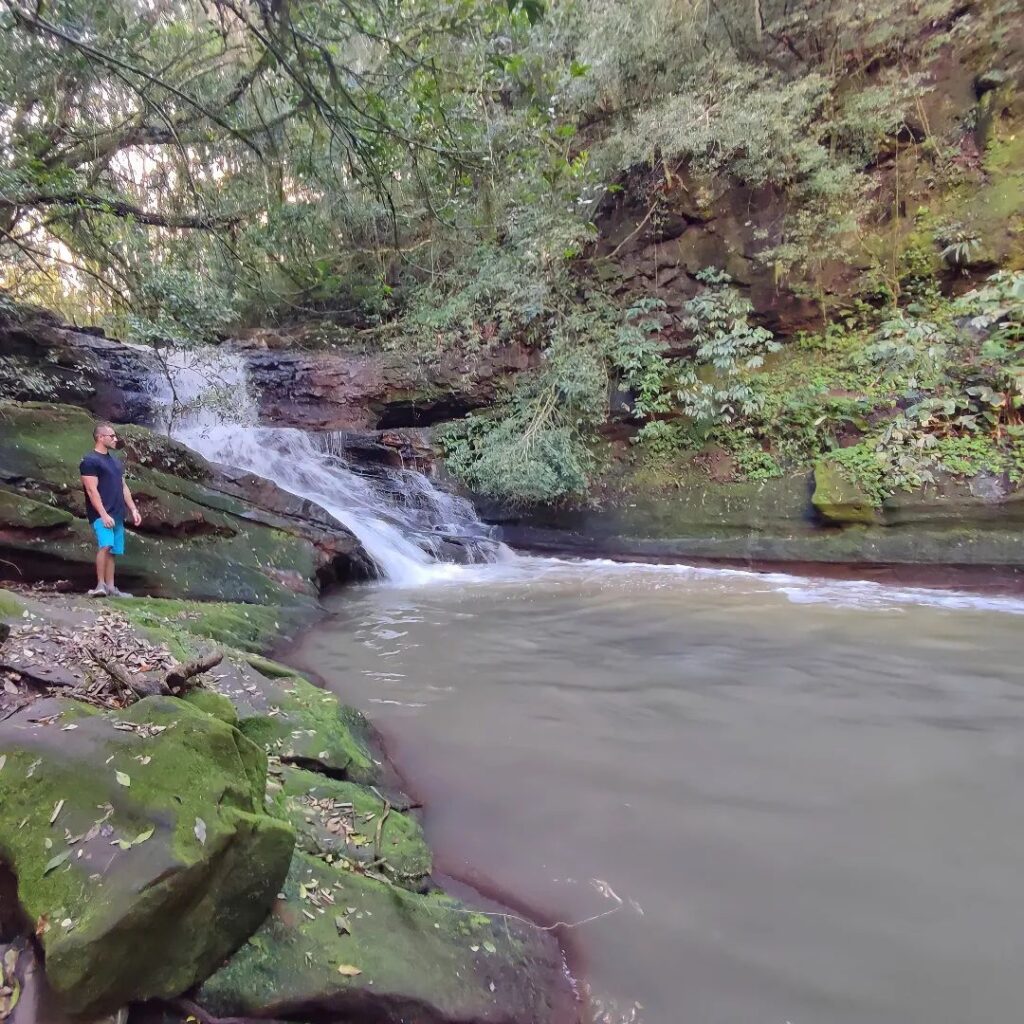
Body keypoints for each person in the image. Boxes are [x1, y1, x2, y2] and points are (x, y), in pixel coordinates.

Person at [79, 423, 142, 597]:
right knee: (105, 545)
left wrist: (133, 509)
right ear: (100, 437)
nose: (115, 439)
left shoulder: (115, 461)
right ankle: (100, 585)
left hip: (117, 513)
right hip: (102, 513)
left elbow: (123, 487)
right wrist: (103, 514)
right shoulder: (90, 461)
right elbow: (91, 490)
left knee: (113, 551)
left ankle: (111, 587)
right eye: (112, 436)